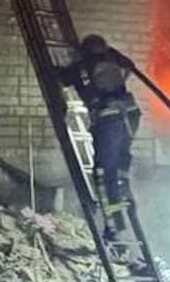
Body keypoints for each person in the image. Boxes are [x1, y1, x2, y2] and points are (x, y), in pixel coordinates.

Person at [61, 34, 142, 236]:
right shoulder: (113, 57)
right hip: (131, 115)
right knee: (119, 168)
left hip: (109, 120)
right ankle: (125, 196)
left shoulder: (81, 66)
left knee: (103, 175)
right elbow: (129, 65)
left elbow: (61, 78)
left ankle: (115, 227)